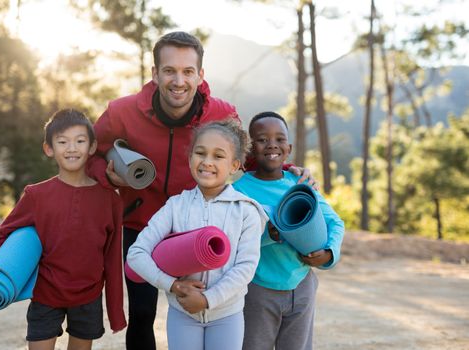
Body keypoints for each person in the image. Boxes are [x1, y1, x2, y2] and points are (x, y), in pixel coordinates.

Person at [86, 31, 316, 349]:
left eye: (187, 71)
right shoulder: (122, 112)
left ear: (200, 74)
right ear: (155, 74)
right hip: (141, 223)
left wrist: (287, 171)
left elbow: (245, 158)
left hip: (199, 223)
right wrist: (110, 178)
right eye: (169, 70)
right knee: (141, 310)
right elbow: (92, 154)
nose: (178, 81)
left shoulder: (222, 113)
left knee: (205, 299)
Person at [127, 119, 268, 350]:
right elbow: (136, 254)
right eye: (200, 153)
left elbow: (245, 267)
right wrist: (174, 285)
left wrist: (207, 300)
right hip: (182, 314)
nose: (207, 162)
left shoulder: (246, 211)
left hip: (227, 316)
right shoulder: (175, 206)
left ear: (234, 165)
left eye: (218, 156)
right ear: (190, 157)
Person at [0, 109, 126, 350]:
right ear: (49, 148)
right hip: (46, 293)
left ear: (93, 146)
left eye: (80, 141)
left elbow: (113, 257)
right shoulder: (36, 195)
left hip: (89, 295)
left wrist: (116, 311)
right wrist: (25, 268)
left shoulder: (110, 200)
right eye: (63, 142)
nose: (72, 148)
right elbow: (4, 235)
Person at [232, 111, 345, 350]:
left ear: (289, 147)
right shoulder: (239, 191)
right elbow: (232, 238)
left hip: (302, 285)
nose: (272, 144)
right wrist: (265, 235)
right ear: (250, 150)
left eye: (279, 139)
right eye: (262, 139)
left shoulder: (300, 184)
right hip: (257, 289)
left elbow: (335, 222)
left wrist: (329, 253)